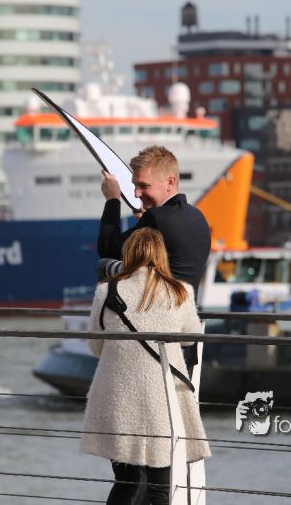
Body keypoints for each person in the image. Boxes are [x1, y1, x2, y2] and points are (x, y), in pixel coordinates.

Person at [81, 228, 211, 505]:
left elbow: (95, 345)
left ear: (128, 254)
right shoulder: (180, 292)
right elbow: (189, 337)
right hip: (161, 400)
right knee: (160, 488)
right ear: (162, 255)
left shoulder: (107, 291)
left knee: (125, 482)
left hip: (119, 399)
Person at [98, 145, 211, 298]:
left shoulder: (156, 219)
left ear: (170, 183)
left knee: (103, 266)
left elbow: (107, 248)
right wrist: (143, 219)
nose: (136, 193)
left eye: (144, 186)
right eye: (135, 185)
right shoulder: (197, 216)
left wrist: (112, 200)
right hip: (187, 309)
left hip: (159, 310)